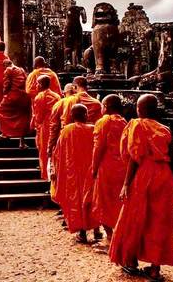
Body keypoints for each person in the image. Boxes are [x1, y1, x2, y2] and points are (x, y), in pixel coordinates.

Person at [109, 94, 173, 281]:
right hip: (164, 176)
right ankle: (155, 269)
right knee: (160, 221)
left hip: (145, 174)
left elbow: (133, 157)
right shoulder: (165, 129)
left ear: (139, 110)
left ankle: (130, 261)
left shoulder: (136, 125)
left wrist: (125, 184)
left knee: (134, 216)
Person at [53, 104, 100, 243]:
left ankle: (83, 233)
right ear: (86, 115)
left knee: (77, 202)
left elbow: (58, 153)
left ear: (72, 116)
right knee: (92, 200)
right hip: (91, 171)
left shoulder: (66, 130)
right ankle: (97, 231)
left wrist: (58, 169)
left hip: (73, 172)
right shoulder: (93, 129)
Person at [91, 95, 128, 243]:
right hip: (123, 167)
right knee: (118, 202)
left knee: (104, 202)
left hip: (107, 167)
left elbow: (98, 147)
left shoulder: (103, 121)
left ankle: (111, 235)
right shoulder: (124, 122)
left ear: (106, 107)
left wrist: (94, 168)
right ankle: (118, 232)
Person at [48, 83, 77, 202]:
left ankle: (64, 202)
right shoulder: (82, 100)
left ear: (64, 93)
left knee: (62, 172)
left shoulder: (59, 104)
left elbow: (54, 127)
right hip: (82, 141)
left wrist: (50, 146)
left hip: (64, 141)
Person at [0, 60, 32, 149]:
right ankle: (22, 143)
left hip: (13, 96)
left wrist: (4, 93)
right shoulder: (21, 70)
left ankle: (5, 133)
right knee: (23, 117)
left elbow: (6, 84)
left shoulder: (8, 69)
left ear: (5, 65)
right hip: (24, 97)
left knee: (0, 110)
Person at [31, 75, 61, 179]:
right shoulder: (56, 96)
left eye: (37, 83)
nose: (36, 85)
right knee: (54, 152)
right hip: (56, 126)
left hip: (45, 127)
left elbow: (38, 118)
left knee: (45, 152)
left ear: (42, 85)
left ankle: (47, 176)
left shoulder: (40, 97)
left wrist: (35, 125)